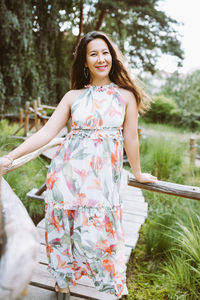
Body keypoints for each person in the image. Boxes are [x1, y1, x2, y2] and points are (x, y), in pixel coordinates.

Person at [0, 31, 157, 299]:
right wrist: (10, 157)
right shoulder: (73, 97)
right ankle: (62, 286)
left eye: (105, 52)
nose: (101, 59)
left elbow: (130, 137)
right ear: (85, 62)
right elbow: (46, 133)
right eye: (93, 54)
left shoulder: (126, 96)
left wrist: (139, 173)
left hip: (102, 184)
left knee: (98, 236)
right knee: (62, 230)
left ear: (113, 57)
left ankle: (106, 286)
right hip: (67, 177)